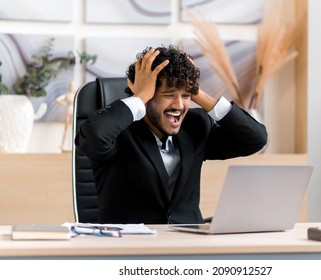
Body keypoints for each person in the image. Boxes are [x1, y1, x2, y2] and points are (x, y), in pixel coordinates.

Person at [75, 45, 267, 224]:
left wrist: (198, 93)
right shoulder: (118, 130)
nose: (179, 105)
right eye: (168, 95)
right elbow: (94, 140)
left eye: (186, 96)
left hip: (188, 244)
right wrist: (140, 97)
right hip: (132, 246)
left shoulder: (196, 126)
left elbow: (255, 139)